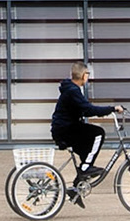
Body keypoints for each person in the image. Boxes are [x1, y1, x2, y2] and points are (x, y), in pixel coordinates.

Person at [50, 62, 120, 202]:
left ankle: (76, 188)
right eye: (87, 74)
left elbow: (84, 110)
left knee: (87, 151)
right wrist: (112, 109)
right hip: (65, 131)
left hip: (64, 129)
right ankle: (85, 169)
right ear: (83, 75)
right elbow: (89, 109)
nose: (88, 77)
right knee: (98, 133)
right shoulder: (73, 91)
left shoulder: (72, 89)